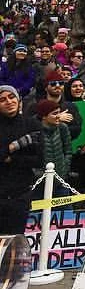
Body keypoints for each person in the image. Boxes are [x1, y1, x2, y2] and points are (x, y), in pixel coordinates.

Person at [0, 83, 41, 234]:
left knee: (14, 240)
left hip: (20, 193)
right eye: (3, 99)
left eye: (11, 97)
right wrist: (13, 147)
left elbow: (39, 158)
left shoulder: (31, 124)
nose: (9, 101)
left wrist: (13, 159)